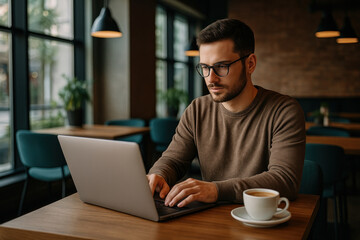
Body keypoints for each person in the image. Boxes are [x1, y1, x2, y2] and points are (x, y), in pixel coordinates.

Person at [147, 18, 305, 208]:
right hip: (213, 220)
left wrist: (216, 190)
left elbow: (284, 180)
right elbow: (173, 159)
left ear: (250, 64)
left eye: (221, 66)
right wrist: (159, 173)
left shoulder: (284, 111)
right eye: (205, 67)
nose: (211, 79)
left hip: (263, 222)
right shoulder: (197, 110)